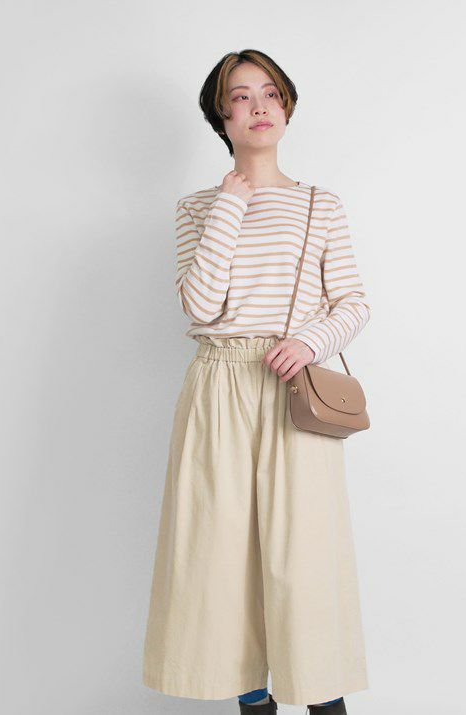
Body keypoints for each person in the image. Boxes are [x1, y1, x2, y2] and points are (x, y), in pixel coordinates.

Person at [141, 49, 371, 715]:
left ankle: (324, 702)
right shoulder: (197, 208)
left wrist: (309, 342)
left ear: (287, 106)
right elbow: (200, 304)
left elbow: (353, 302)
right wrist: (230, 206)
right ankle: (253, 703)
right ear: (222, 116)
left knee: (304, 557)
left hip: (294, 389)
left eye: (270, 93)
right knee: (220, 558)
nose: (258, 106)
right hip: (218, 385)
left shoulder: (319, 205)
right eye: (240, 96)